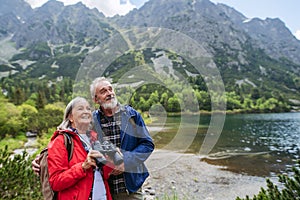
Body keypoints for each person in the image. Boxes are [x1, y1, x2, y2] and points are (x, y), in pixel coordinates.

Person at [90, 77, 154, 200]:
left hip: (131, 189)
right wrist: (43, 157)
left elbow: (147, 144)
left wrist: (125, 162)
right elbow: (78, 144)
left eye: (110, 89)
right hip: (104, 190)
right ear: (96, 99)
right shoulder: (91, 121)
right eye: (103, 91)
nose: (109, 93)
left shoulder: (132, 115)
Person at [38, 97, 112, 200]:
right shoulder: (61, 141)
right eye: (80, 108)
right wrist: (82, 167)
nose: (86, 111)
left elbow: (105, 174)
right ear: (70, 117)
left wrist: (111, 161)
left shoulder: (96, 138)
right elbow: (56, 182)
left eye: (88, 108)